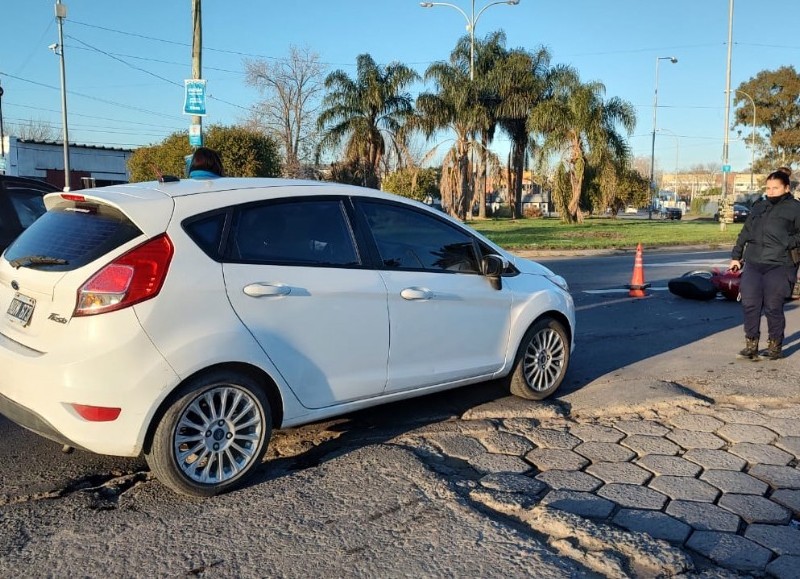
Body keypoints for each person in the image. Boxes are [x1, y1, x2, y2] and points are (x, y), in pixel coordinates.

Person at [730, 169, 800, 360]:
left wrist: (787, 242)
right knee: (750, 304)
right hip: (753, 262)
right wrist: (736, 255)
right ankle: (751, 343)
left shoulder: (795, 208)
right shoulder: (759, 206)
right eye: (768, 188)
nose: (770, 191)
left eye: (775, 188)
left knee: (773, 307)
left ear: (786, 188)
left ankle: (775, 345)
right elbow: (745, 232)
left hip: (780, 264)